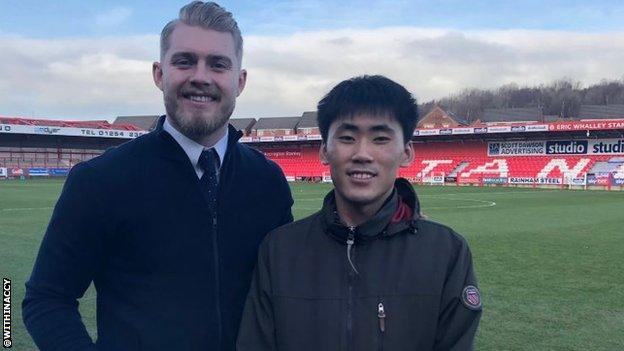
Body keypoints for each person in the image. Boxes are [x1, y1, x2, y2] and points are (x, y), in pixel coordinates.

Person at [22, 2, 293, 350]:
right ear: (159, 74)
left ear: (239, 81)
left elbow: (285, 299)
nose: (200, 76)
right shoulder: (101, 181)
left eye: (218, 64)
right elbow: (45, 299)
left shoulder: (268, 182)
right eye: (184, 60)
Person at [237, 75, 482, 351]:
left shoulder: (446, 252)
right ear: (324, 151)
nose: (362, 153)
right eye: (347, 138)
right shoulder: (279, 250)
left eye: (380, 138)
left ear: (407, 152)